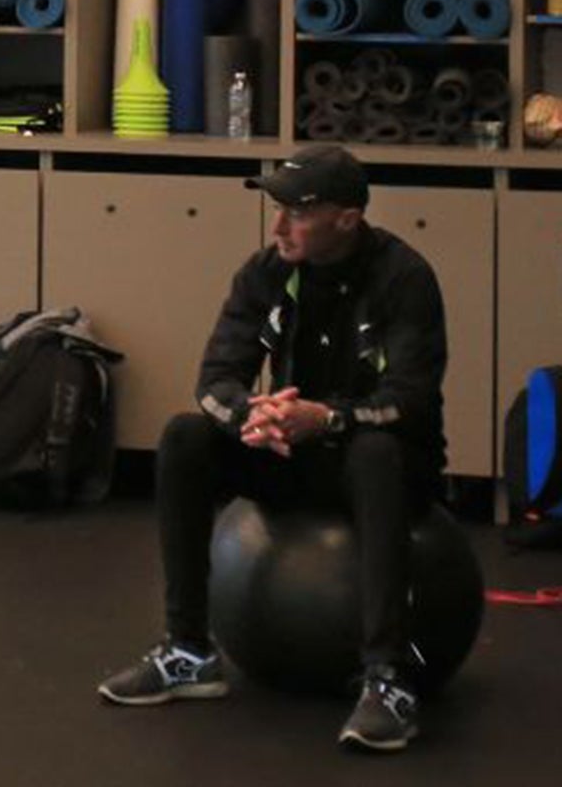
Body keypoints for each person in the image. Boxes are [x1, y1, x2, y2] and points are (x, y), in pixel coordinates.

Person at [97, 144, 447, 752]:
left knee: (374, 452)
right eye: (275, 210)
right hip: (294, 449)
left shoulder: (403, 277)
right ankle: (188, 650)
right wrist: (250, 417)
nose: (279, 226)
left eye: (296, 213)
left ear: (347, 218)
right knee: (185, 436)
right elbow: (215, 380)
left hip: (384, 464)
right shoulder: (265, 272)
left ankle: (388, 679)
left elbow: (409, 398)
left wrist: (328, 418)